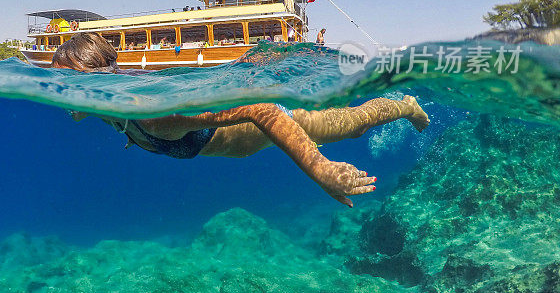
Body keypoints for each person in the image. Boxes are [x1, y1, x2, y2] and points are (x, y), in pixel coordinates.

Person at [50, 33, 430, 207]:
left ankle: (406, 104)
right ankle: (404, 104)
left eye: (68, 81)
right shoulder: (100, 103)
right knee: (350, 123)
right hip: (241, 143)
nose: (60, 91)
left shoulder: (154, 116)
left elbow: (258, 109)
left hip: (262, 126)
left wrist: (321, 170)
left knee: (354, 123)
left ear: (98, 78)